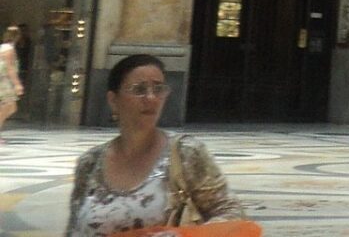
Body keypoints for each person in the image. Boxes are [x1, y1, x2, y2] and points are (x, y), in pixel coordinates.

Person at [66, 55, 245, 236]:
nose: (151, 98)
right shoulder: (89, 163)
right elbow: (73, 229)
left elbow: (230, 211)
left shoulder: (185, 153)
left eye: (158, 89)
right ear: (113, 100)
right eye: (139, 89)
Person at [0, 25, 22, 141]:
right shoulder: (9, 49)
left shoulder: (3, 47)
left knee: (11, 107)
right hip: (5, 80)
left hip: (4, 79)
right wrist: (17, 84)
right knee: (8, 105)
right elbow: (10, 68)